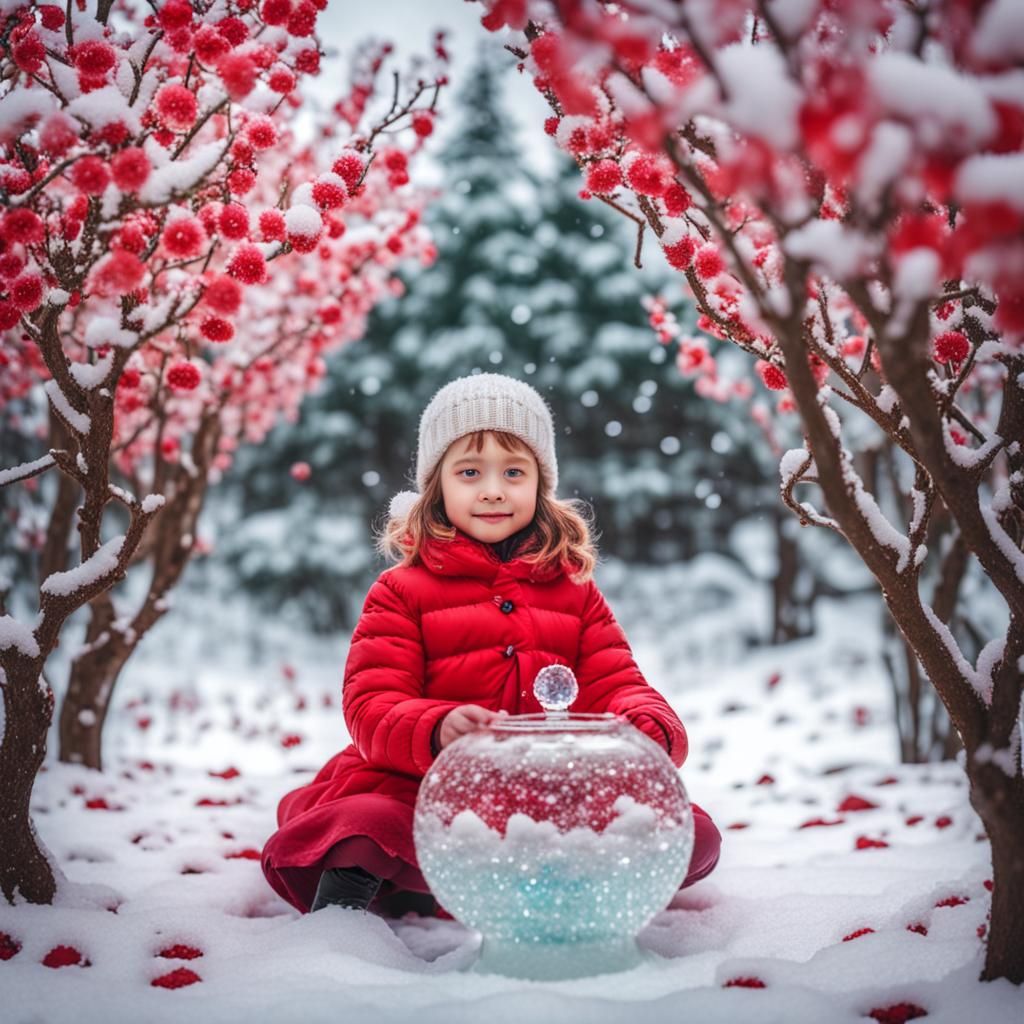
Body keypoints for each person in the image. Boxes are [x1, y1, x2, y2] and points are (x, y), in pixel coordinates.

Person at [260, 373, 722, 918]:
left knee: (686, 829)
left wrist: (647, 728)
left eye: (514, 472)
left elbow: (616, 681)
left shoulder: (572, 589)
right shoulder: (401, 591)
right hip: (421, 786)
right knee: (366, 825)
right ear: (438, 486)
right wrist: (436, 727)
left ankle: (564, 891)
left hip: (545, 789)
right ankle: (355, 912)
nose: (493, 489)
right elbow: (372, 705)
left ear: (539, 485)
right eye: (470, 472)